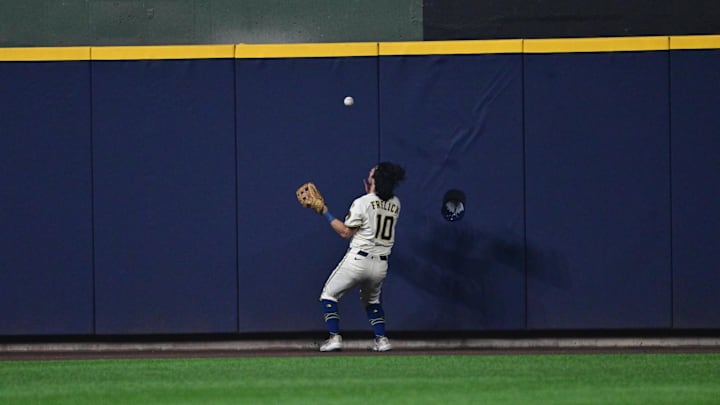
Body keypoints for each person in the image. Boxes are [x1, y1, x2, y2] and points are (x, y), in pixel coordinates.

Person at [318, 162, 406, 352]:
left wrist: (324, 211)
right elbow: (378, 205)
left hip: (358, 260)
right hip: (381, 266)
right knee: (372, 301)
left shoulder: (362, 202)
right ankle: (382, 340)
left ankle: (334, 338)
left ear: (374, 180)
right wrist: (371, 191)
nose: (369, 174)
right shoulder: (396, 203)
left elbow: (345, 232)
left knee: (328, 295)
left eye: (371, 174)